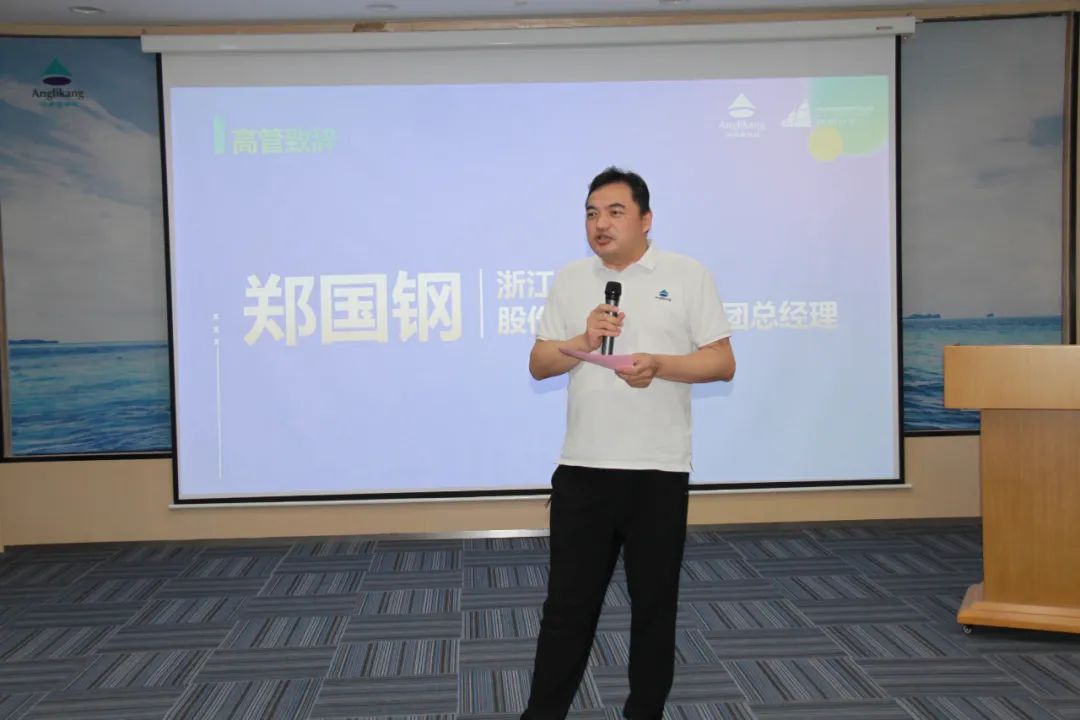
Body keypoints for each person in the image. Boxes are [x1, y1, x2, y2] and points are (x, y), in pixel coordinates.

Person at [521, 167, 736, 720]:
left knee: (653, 610)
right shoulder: (571, 280)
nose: (601, 224)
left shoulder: (686, 275)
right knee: (566, 610)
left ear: (646, 219)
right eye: (592, 213)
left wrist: (659, 365)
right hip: (583, 470)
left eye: (615, 212)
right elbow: (539, 363)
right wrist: (583, 338)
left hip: (657, 473)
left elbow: (721, 361)